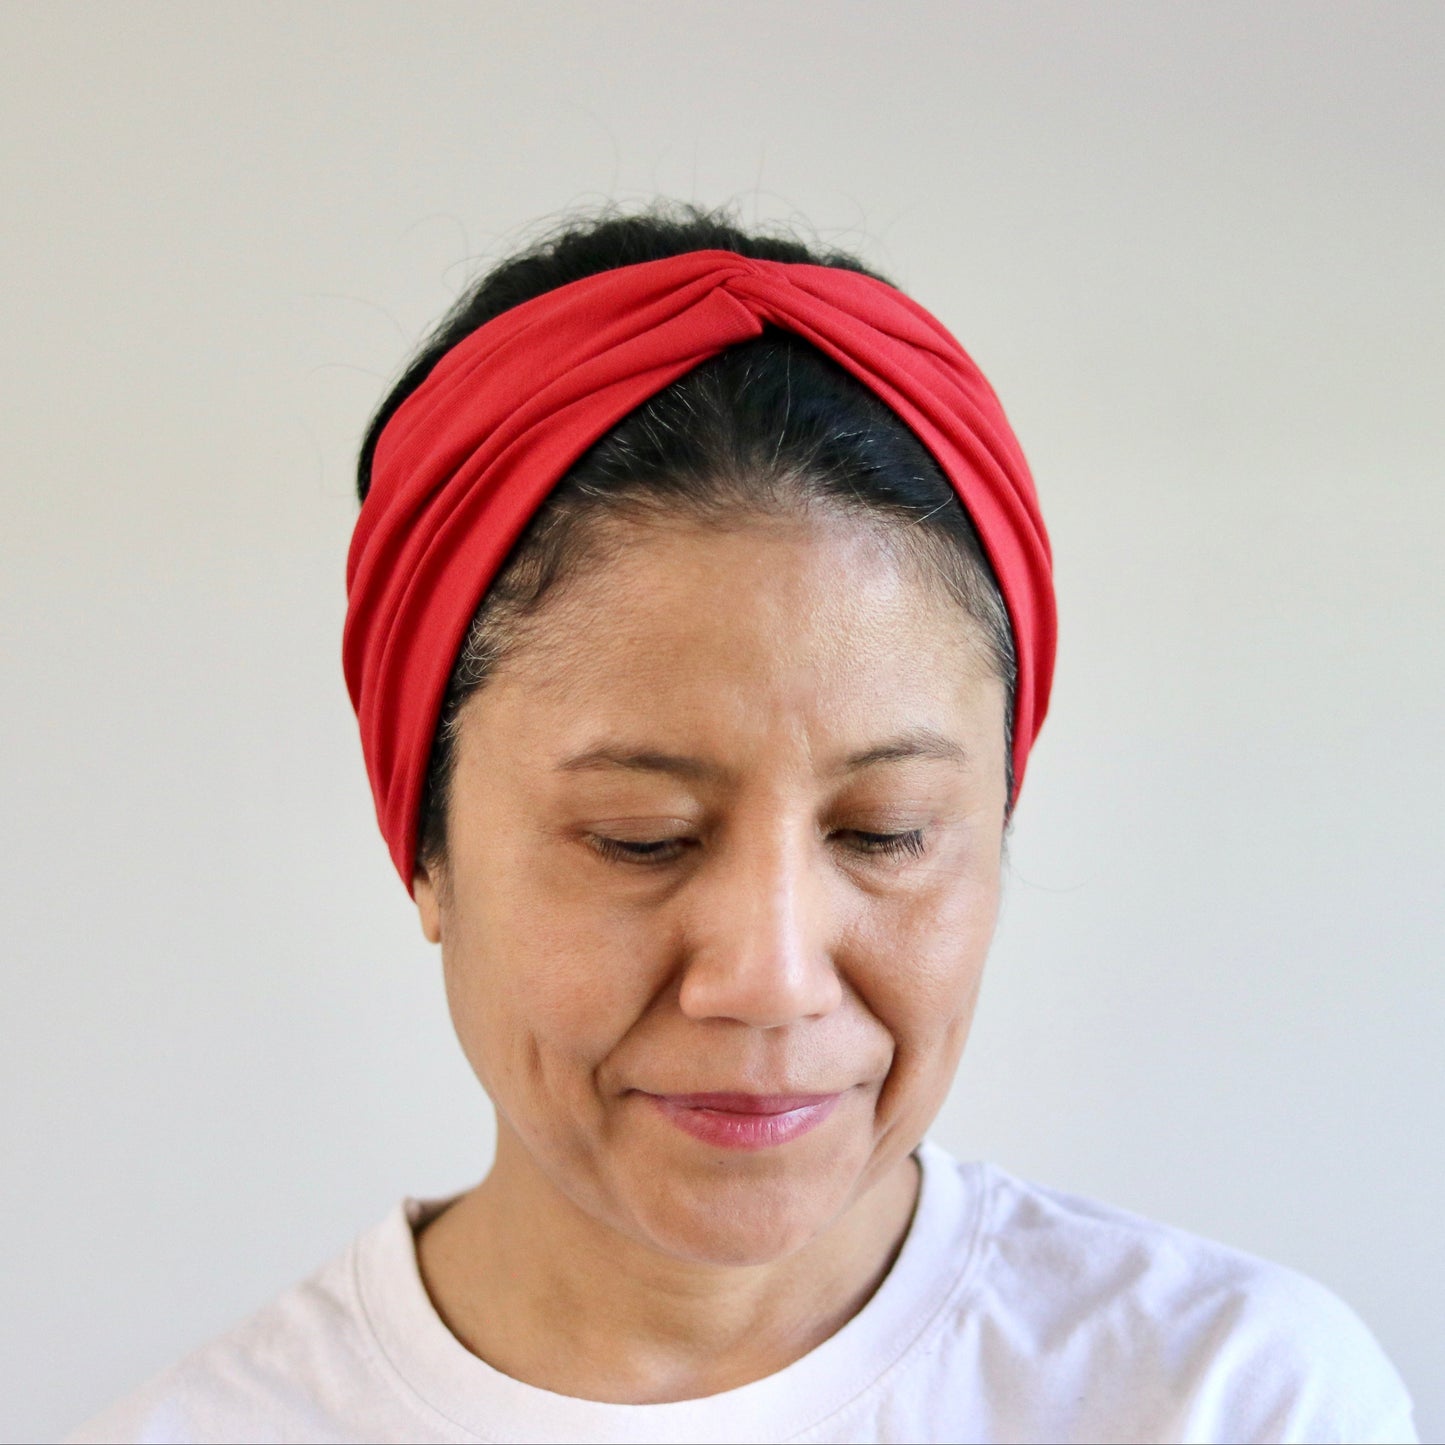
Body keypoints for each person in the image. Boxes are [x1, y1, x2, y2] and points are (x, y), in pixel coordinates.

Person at [69, 204, 1417, 1445]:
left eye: (886, 831)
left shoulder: (1231, 1397)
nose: (770, 975)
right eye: (640, 835)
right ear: (423, 844)